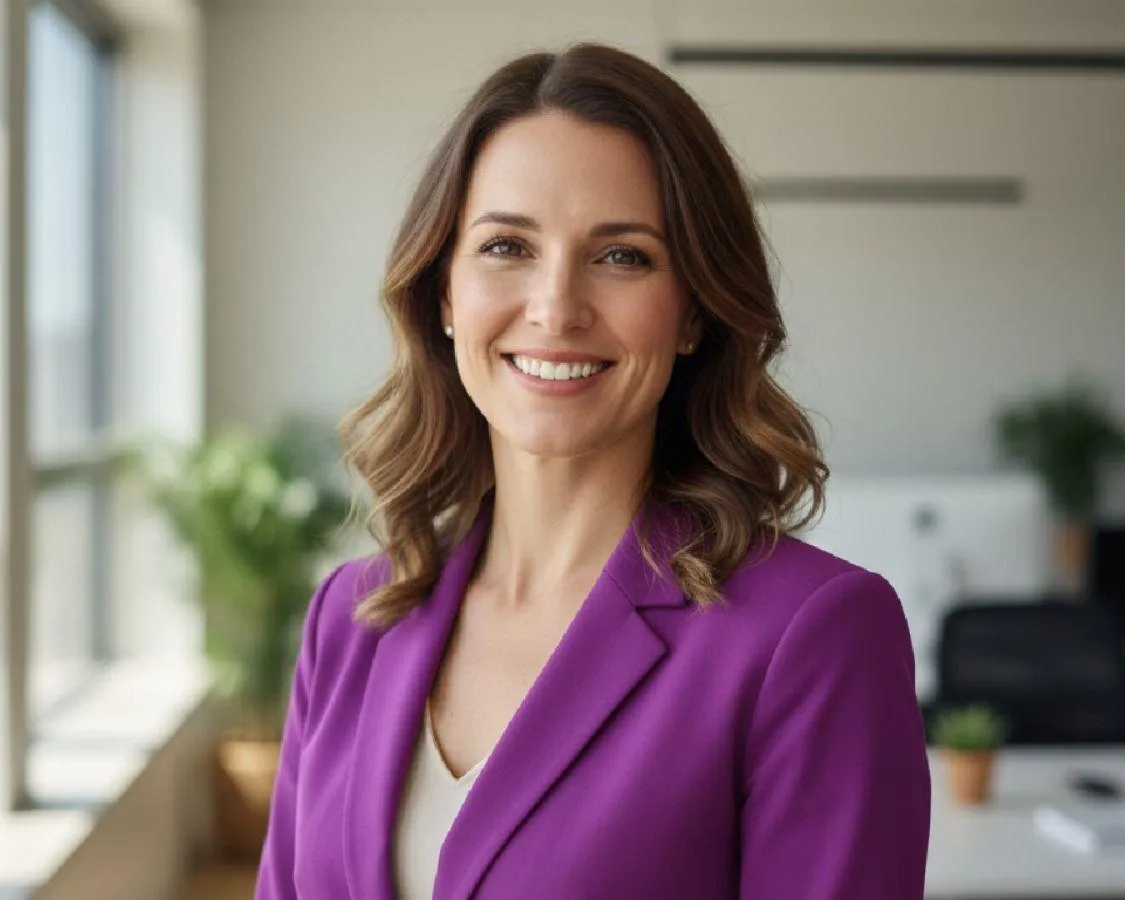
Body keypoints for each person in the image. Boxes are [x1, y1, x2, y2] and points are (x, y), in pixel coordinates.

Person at [255, 42, 931, 900]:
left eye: (622, 256)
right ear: (443, 296)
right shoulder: (349, 621)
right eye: (506, 246)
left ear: (691, 312)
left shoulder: (811, 636)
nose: (555, 307)